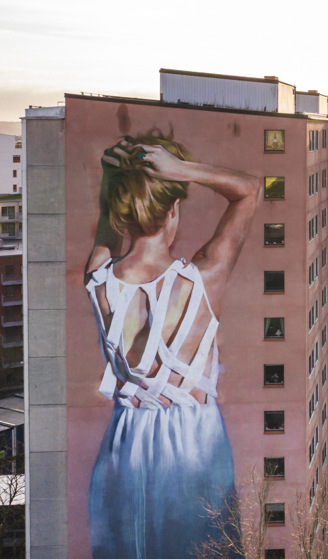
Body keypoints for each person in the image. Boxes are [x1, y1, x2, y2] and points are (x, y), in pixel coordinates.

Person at [84, 132, 260, 557]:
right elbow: (249, 191)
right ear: (173, 210)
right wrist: (182, 170)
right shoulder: (203, 279)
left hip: (125, 445)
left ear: (119, 210)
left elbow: (107, 235)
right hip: (194, 446)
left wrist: (115, 179)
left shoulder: (98, 280)